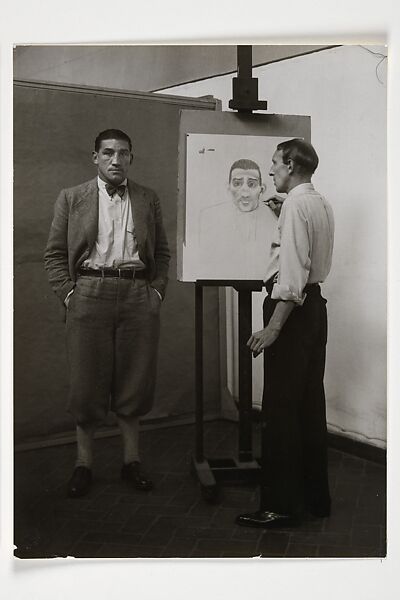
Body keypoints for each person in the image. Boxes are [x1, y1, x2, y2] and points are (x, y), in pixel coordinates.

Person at [44, 128, 170, 498]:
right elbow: (53, 254)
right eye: (108, 153)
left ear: (132, 158)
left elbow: (161, 252)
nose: (116, 160)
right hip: (89, 292)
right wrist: (70, 295)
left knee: (135, 379)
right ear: (95, 157)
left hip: (136, 292)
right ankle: (84, 465)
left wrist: (156, 293)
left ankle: (131, 461)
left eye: (124, 153)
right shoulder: (72, 198)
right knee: (86, 383)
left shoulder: (148, 198)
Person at [236, 139, 334, 528]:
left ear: (291, 165)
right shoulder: (318, 202)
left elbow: (291, 276)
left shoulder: (295, 206)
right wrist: (284, 215)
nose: (271, 170)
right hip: (315, 311)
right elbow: (307, 258)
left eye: (275, 163)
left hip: (290, 313)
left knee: (278, 412)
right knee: (309, 406)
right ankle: (315, 499)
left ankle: (279, 506)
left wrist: (274, 326)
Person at [197, 159, 277, 280]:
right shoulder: (209, 218)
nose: (245, 192)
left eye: (251, 184)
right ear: (228, 187)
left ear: (262, 189)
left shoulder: (276, 218)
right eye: (237, 183)